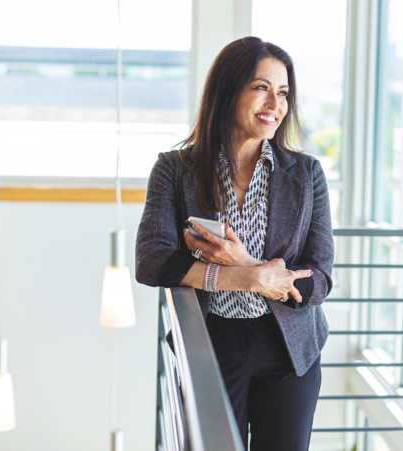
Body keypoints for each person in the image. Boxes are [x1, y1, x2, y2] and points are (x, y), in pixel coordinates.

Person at [135, 36, 334, 451]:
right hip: (213, 341)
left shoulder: (307, 174)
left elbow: (321, 278)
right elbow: (151, 260)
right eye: (261, 88)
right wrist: (242, 277)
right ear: (228, 91)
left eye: (283, 93)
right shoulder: (175, 169)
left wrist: (246, 264)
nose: (275, 104)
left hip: (290, 351)